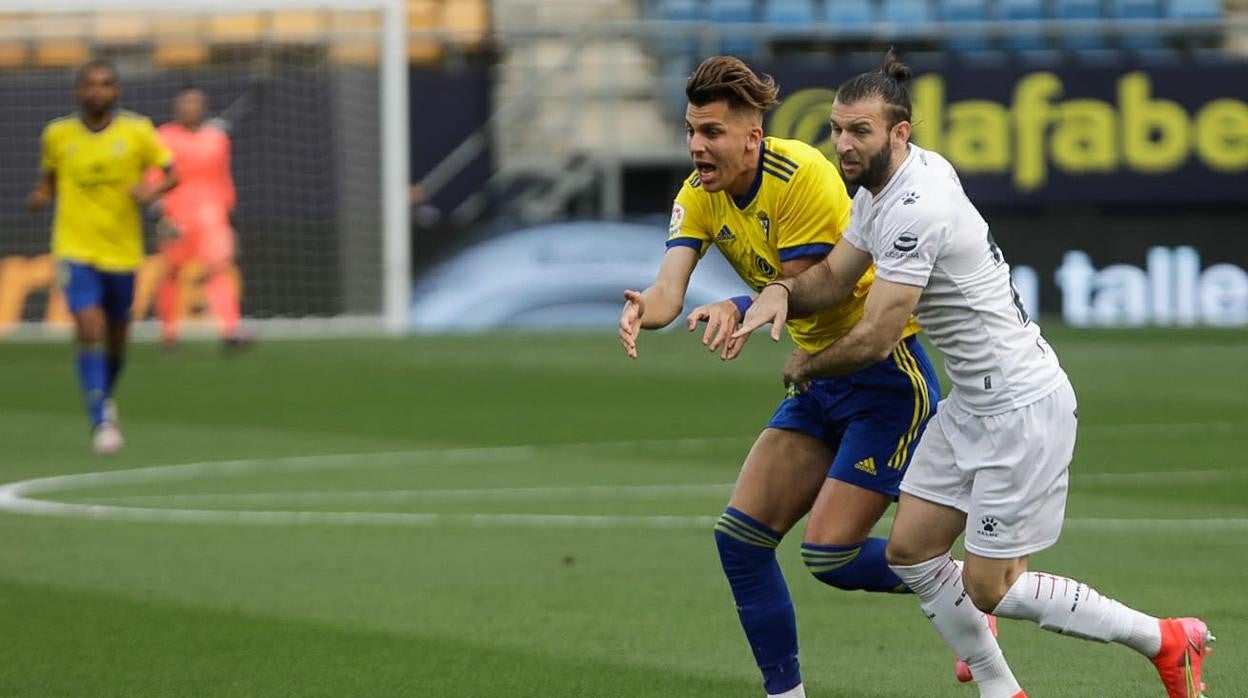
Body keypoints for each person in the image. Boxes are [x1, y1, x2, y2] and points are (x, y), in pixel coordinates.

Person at [734, 50, 1213, 698]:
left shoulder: (917, 204)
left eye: (860, 132)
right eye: (838, 130)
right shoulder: (882, 191)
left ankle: (1164, 640)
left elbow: (878, 335)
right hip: (969, 406)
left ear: (899, 132)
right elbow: (834, 276)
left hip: (1021, 407)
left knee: (993, 586)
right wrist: (781, 294)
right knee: (910, 553)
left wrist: (806, 365)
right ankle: (1001, 689)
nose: (843, 144)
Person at [618, 56, 943, 698]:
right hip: (817, 377)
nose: (696, 147)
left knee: (832, 556)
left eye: (710, 133)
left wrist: (737, 305)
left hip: (882, 373)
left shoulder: (799, 176)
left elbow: (814, 289)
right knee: (739, 540)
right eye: (690, 131)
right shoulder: (698, 194)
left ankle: (968, 592)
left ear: (752, 137)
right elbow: (668, 290)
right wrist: (643, 311)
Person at [28, 59, 177, 455]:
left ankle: (102, 396)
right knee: (88, 324)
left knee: (117, 341)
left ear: (117, 91)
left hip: (123, 253)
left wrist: (152, 192)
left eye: (105, 84)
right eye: (90, 85)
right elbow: (49, 178)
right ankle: (101, 419)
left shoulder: (137, 131)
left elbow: (171, 172)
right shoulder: (58, 135)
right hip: (74, 248)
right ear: (79, 91)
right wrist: (41, 196)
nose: (98, 91)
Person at [154, 85, 249, 349]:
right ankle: (169, 333)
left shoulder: (216, 138)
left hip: (211, 214)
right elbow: (155, 176)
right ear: (177, 106)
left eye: (196, 102)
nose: (191, 108)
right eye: (186, 102)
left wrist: (229, 211)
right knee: (172, 272)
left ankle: (231, 329)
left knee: (219, 269)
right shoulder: (163, 137)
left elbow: (223, 177)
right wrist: (161, 212)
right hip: (177, 215)